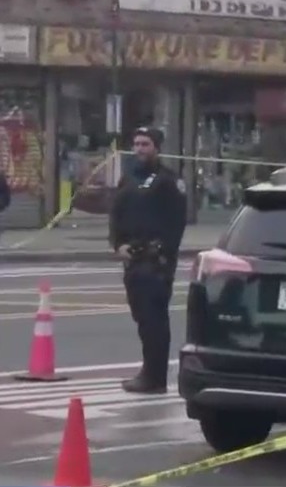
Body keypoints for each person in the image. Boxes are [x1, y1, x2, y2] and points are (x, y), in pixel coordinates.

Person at [109, 127, 187, 394]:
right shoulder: (128, 179)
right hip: (132, 260)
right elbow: (115, 214)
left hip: (156, 262)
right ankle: (148, 370)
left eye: (146, 144)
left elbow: (177, 223)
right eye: (137, 144)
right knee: (141, 317)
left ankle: (155, 377)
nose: (140, 149)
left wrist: (164, 255)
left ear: (157, 147)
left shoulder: (168, 181)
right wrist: (118, 244)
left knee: (155, 320)